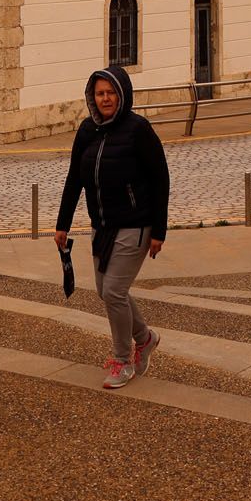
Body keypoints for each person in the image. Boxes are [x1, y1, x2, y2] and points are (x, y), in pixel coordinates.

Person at [54, 65, 170, 389]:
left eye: (111, 93)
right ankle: (145, 338)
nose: (105, 99)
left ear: (122, 95)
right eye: (99, 93)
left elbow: (161, 179)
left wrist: (159, 231)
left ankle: (122, 360)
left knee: (114, 292)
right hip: (102, 227)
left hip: (136, 226)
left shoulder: (138, 130)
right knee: (107, 292)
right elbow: (74, 178)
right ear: (92, 96)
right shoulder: (87, 131)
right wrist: (62, 224)